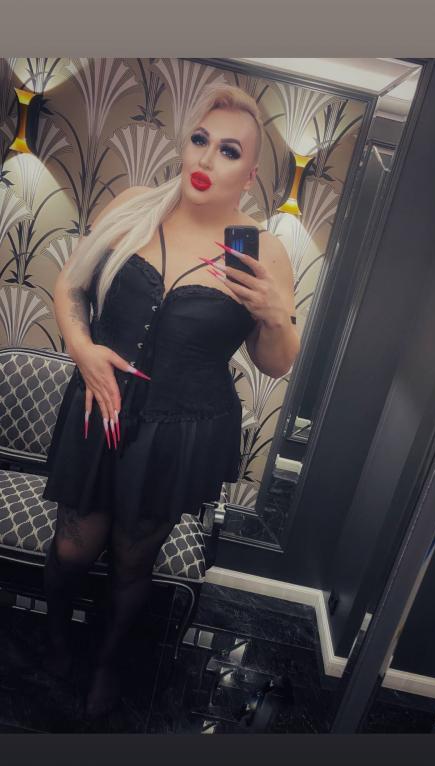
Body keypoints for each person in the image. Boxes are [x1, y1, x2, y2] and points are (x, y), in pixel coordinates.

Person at [41, 83, 300, 719]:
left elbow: (274, 361)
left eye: (229, 150)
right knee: (73, 547)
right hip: (98, 403)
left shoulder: (264, 251)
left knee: (134, 559)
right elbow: (70, 285)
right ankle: (55, 643)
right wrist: (81, 347)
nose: (207, 159)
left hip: (179, 430)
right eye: (200, 140)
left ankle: (108, 665)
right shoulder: (134, 206)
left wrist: (276, 315)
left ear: (250, 173)